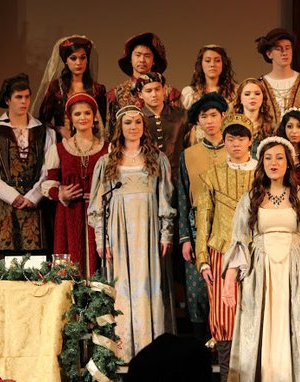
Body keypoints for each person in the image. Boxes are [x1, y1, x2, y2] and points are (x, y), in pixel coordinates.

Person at [221, 137, 300, 382]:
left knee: (295, 328)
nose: (274, 163)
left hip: (294, 271)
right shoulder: (250, 199)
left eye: (279, 157)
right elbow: (239, 240)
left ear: (288, 163)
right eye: (268, 158)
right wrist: (230, 280)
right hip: (260, 273)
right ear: (261, 163)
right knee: (261, 329)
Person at [87, 104, 176, 362]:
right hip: (118, 231)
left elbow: (165, 198)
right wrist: (100, 238)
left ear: (143, 127)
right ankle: (124, 352)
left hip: (148, 232)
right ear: (120, 127)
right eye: (128, 123)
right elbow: (98, 206)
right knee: (122, 287)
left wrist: (166, 233)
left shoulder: (156, 159)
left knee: (150, 285)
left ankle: (152, 352)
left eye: (137, 122)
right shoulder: (107, 162)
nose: (133, 127)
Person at [195, 113, 257, 381]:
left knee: (255, 311)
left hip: (256, 253)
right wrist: (203, 260)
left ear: (250, 140)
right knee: (223, 317)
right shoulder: (212, 175)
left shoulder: (261, 172)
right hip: (221, 252)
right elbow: (203, 218)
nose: (236, 143)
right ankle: (227, 377)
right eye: (231, 138)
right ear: (224, 140)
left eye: (241, 137)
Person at [0, 73, 56, 254]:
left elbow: (48, 169)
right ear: (7, 100)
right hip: (3, 205)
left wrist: (33, 197)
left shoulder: (44, 131)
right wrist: (13, 196)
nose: (24, 101)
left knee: (36, 263)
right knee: (2, 261)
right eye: (19, 97)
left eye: (27, 96)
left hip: (34, 205)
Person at [177, 92, 228, 345]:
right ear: (198, 122)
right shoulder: (189, 155)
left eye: (213, 115)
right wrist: (185, 237)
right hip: (198, 230)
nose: (209, 121)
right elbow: (183, 198)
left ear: (223, 117)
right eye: (203, 116)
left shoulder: (236, 150)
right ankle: (200, 353)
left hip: (228, 230)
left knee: (227, 290)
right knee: (198, 292)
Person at [42, 93, 108, 276]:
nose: (83, 117)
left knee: (98, 264)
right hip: (68, 214)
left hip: (100, 214)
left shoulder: (107, 149)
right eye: (77, 114)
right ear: (70, 118)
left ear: (94, 116)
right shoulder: (59, 149)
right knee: (68, 266)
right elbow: (49, 184)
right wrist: (60, 194)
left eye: (87, 113)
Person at [106, 32, 181, 135]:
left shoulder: (169, 93)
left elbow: (178, 129)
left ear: (153, 60)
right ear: (130, 59)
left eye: (147, 56)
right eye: (138, 55)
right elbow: (112, 133)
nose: (142, 60)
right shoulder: (116, 95)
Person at [33, 35, 107, 140]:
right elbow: (42, 120)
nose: (78, 63)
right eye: (73, 58)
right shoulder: (55, 88)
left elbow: (101, 123)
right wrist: (59, 129)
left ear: (87, 60)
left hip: (91, 144)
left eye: (83, 57)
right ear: (66, 60)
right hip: (63, 143)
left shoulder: (98, 89)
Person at [255, 27, 300, 122]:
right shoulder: (259, 86)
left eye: (287, 48)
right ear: (269, 54)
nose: (284, 53)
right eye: (278, 49)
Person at [134, 72, 189, 181]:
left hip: (177, 178)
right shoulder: (137, 120)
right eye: (148, 91)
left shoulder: (182, 116)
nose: (154, 94)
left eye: (157, 89)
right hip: (146, 178)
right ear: (140, 95)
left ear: (164, 90)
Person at [181, 44, 237, 110]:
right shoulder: (190, 94)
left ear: (223, 64)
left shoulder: (234, 93)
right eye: (208, 61)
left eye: (217, 60)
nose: (212, 64)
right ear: (201, 64)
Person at [232, 77, 275, 158]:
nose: (252, 97)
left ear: (263, 98)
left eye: (257, 93)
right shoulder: (231, 126)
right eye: (247, 94)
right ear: (240, 98)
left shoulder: (271, 128)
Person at [277, 107, 300, 187]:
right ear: (284, 129)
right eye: (290, 126)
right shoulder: (277, 154)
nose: (294, 131)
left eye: (299, 126)